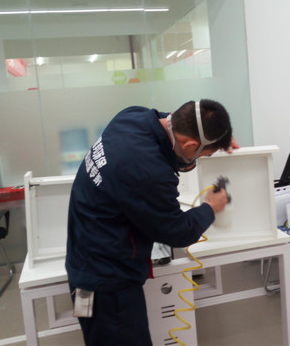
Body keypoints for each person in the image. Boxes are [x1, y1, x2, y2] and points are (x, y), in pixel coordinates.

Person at [66, 99, 237, 345]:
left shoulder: (131, 117)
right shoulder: (147, 170)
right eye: (203, 154)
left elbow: (178, 120)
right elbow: (177, 230)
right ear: (190, 144)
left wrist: (217, 136)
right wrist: (210, 207)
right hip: (106, 282)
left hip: (87, 252)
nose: (199, 159)